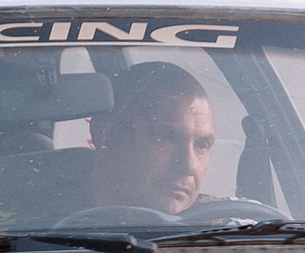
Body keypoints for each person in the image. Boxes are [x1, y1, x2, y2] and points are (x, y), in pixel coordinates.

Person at [83, 60, 222, 218]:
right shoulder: (58, 220)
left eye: (201, 145)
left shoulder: (226, 223)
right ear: (105, 134)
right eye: (166, 138)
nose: (189, 165)